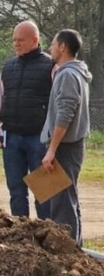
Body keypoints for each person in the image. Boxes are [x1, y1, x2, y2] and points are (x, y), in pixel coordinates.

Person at [0, 20, 53, 219]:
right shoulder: (8, 67)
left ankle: (45, 233)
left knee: (44, 191)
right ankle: (21, 233)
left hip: (39, 137)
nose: (16, 44)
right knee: (16, 190)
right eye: (14, 40)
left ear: (35, 40)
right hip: (11, 136)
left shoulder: (51, 65)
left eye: (21, 40)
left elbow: (56, 103)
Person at [41, 29, 91, 245]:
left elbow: (65, 113)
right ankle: (74, 246)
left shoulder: (68, 75)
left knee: (62, 202)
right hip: (69, 147)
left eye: (53, 44)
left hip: (65, 148)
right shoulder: (75, 72)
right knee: (64, 199)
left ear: (62, 47)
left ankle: (65, 251)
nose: (50, 48)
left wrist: (52, 150)